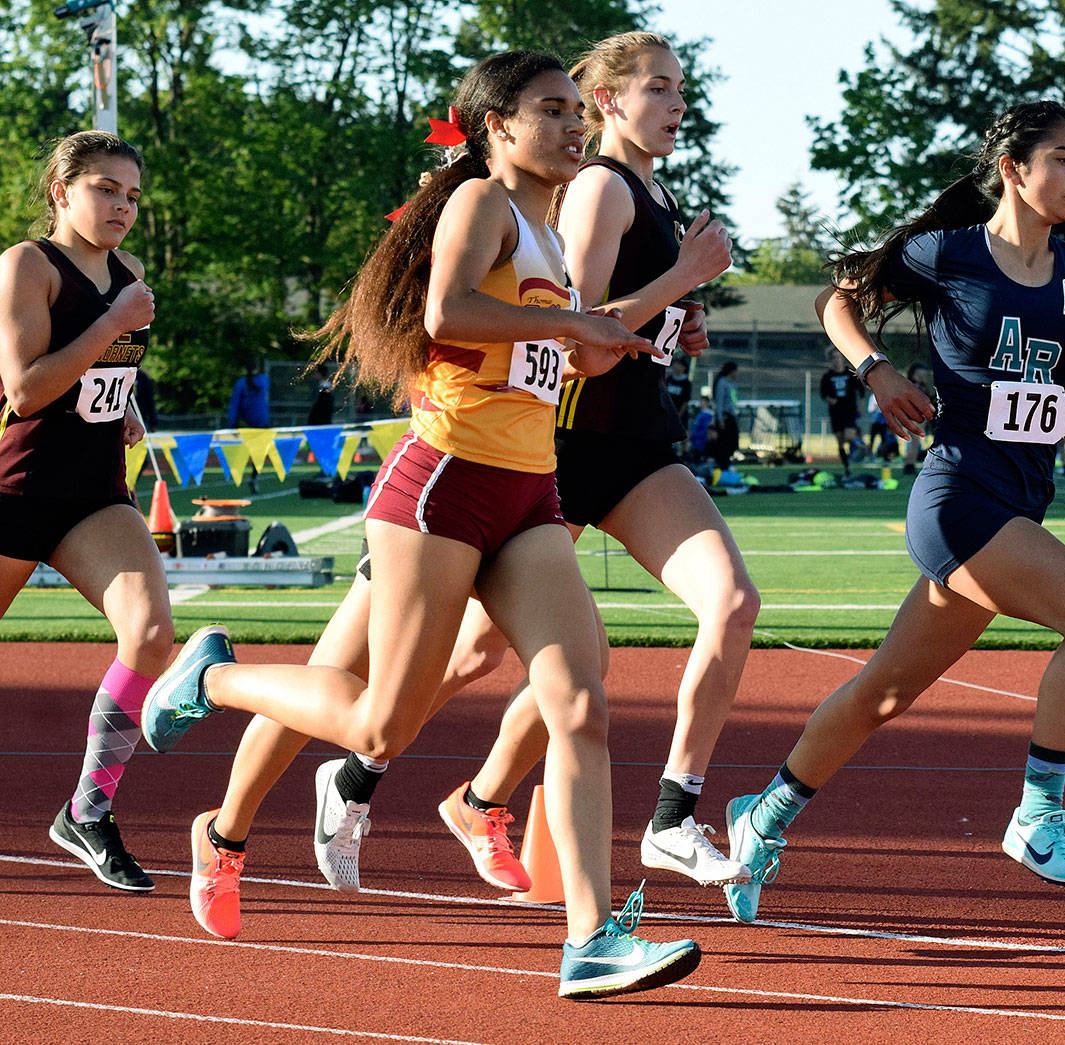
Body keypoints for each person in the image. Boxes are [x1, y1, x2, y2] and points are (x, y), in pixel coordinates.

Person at [141, 51, 701, 1000]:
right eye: (552, 110)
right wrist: (575, 326)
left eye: (576, 110)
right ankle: (214, 675)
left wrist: (623, 331)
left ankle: (591, 939)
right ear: (498, 126)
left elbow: (560, 361)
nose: (572, 126)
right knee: (377, 719)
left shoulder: (555, 232)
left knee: (580, 701)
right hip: (444, 487)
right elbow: (451, 312)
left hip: (530, 492)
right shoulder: (482, 204)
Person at [718, 99, 1065, 924]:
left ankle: (763, 815)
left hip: (1022, 497)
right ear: (1013, 169)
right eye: (1063, 158)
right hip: (958, 493)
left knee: (884, 691)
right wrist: (879, 371)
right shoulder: (947, 253)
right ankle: (1037, 813)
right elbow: (836, 301)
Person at [0, 130, 167, 892]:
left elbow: (102, 377)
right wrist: (111, 323)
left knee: (153, 633)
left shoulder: (128, 271)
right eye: (106, 189)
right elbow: (26, 389)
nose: (123, 206)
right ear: (61, 192)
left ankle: (87, 811)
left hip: (95, 491)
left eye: (132, 194)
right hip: (16, 489)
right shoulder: (27, 265)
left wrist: (122, 408)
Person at [228, 357, 270, 492]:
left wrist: (232, 424)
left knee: (243, 452)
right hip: (262, 423)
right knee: (259, 454)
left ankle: (238, 475)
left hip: (245, 424)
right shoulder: (264, 380)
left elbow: (234, 405)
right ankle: (254, 477)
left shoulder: (240, 384)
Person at [820, 346, 863, 475]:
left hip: (849, 410)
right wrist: (830, 399)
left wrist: (860, 407)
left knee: (849, 435)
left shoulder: (850, 374)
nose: (837, 360)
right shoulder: (827, 376)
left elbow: (861, 392)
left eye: (839, 357)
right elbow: (823, 393)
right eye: (834, 358)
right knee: (840, 442)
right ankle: (847, 467)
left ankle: (863, 447)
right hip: (836, 412)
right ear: (831, 360)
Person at [901, 361, 932, 474]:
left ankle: (910, 465)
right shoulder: (909, 384)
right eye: (919, 373)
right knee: (915, 441)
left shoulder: (923, 386)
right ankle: (909, 465)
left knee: (916, 442)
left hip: (920, 417)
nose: (921, 376)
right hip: (910, 416)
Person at [711, 359, 740, 470]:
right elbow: (719, 401)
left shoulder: (731, 384)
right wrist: (720, 419)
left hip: (731, 416)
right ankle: (723, 464)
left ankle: (726, 462)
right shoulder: (722, 383)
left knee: (733, 442)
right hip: (725, 417)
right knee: (725, 442)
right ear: (731, 371)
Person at [306, 361, 335, 425]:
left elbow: (323, 406)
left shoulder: (325, 387)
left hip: (321, 420)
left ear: (320, 374)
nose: (314, 375)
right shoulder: (322, 386)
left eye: (315, 373)